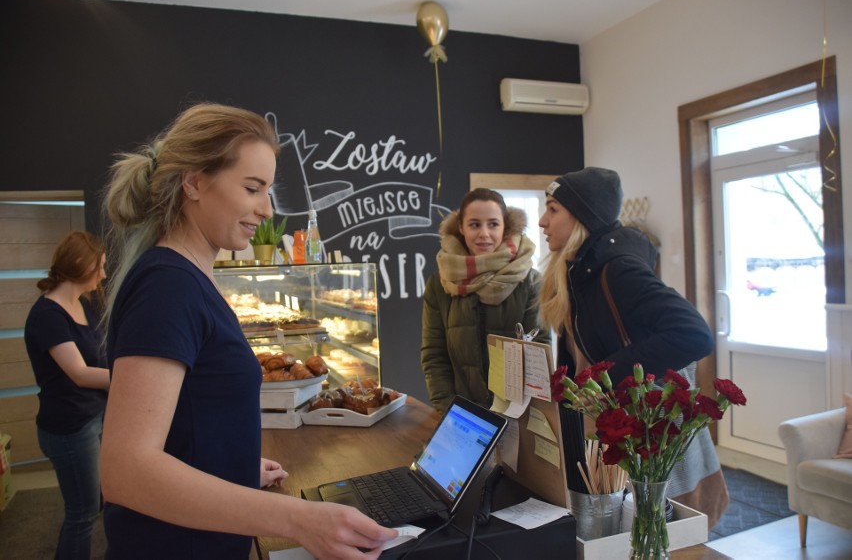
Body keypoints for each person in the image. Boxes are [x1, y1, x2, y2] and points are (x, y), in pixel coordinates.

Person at [99, 102, 396, 559]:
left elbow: (186, 418)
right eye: (253, 188)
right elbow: (126, 471)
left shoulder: (189, 277)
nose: (268, 209)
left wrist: (229, 465)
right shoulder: (168, 286)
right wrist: (298, 519)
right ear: (195, 181)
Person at [537, 166, 728, 527]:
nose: (543, 221)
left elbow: (694, 335)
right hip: (615, 431)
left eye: (553, 209)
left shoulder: (617, 269)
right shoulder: (578, 272)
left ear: (583, 216)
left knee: (662, 536)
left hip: (650, 434)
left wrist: (603, 375)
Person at [421, 188, 549, 415]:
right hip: (462, 416)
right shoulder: (440, 284)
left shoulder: (529, 282)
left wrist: (516, 416)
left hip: (518, 416)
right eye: (474, 224)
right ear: (461, 227)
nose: (484, 234)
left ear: (505, 226)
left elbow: (538, 355)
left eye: (493, 224)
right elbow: (434, 355)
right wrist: (449, 412)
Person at [24, 230, 111, 560]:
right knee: (82, 515)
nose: (103, 274)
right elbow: (79, 373)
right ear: (81, 265)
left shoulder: (80, 304)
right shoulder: (47, 315)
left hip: (92, 417)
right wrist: (128, 380)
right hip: (69, 428)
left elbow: (98, 356)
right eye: (100, 267)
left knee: (94, 505)